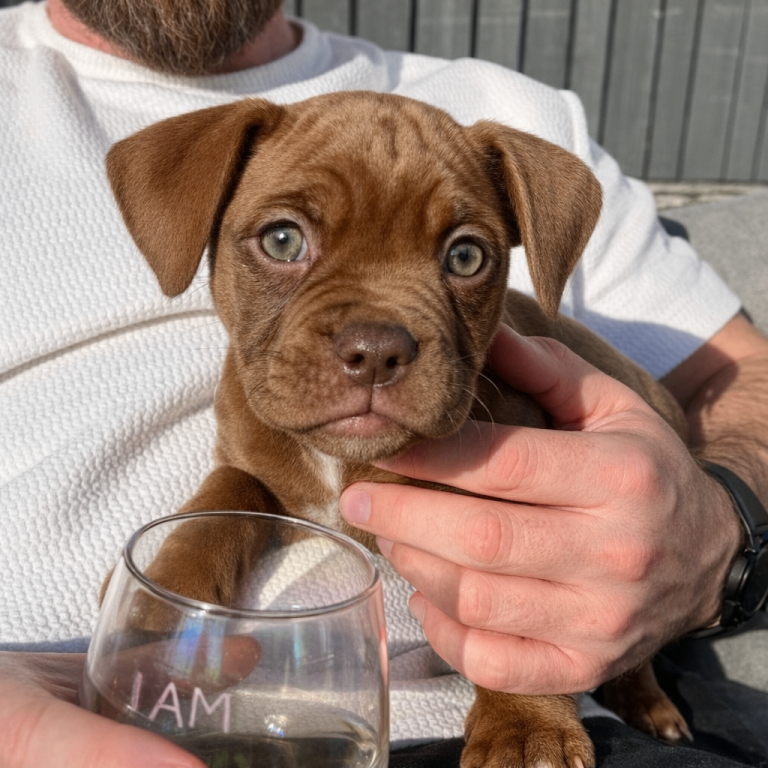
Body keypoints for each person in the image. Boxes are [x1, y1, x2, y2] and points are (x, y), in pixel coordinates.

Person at [0, 0, 766, 766]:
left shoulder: (519, 120)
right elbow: (247, 478)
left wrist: (714, 529)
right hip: (93, 709)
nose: (373, 342)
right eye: (282, 239)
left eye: (463, 258)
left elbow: (732, 379)